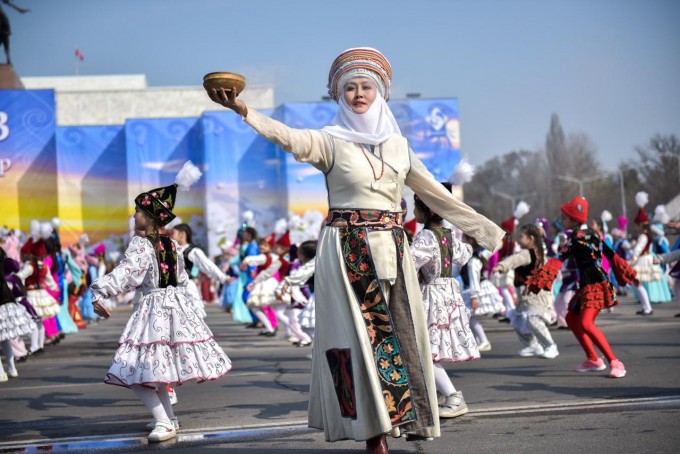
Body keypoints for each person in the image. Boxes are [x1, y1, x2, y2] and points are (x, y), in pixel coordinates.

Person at [207, 47, 503, 451]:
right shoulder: (330, 142)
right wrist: (244, 111)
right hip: (347, 250)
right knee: (356, 343)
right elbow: (289, 138)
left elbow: (436, 193)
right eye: (349, 88)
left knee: (400, 339)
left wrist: (487, 232)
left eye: (366, 86)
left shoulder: (398, 146)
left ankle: (401, 418)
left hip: (395, 252)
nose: (358, 93)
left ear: (380, 94)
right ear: (339, 95)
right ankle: (372, 434)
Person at [89, 162, 232, 442]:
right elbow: (180, 280)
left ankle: (164, 422)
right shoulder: (172, 245)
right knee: (157, 371)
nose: (134, 217)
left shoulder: (141, 245)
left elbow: (125, 276)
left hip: (154, 309)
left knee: (132, 369)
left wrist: (100, 289)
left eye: (137, 213)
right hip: (174, 308)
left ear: (150, 217)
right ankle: (170, 419)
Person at [527, 196, 636, 379]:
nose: (562, 222)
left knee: (586, 323)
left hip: (595, 285)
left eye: (564, 218)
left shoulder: (576, 238)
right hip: (587, 285)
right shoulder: (594, 234)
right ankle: (593, 359)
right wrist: (622, 270)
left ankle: (615, 362)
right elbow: (611, 255)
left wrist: (540, 279)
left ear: (573, 220)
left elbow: (558, 259)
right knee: (571, 318)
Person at [410, 185, 479, 419]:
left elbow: (408, 264)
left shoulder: (426, 236)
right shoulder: (448, 235)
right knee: (430, 347)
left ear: (427, 211)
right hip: (448, 293)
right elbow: (464, 254)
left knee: (425, 349)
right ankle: (440, 394)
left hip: (432, 294)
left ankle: (452, 396)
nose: (413, 212)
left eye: (415, 206)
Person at [493, 224, 559, 359]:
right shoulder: (536, 253)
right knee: (517, 319)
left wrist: (501, 266)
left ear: (531, 238)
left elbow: (513, 260)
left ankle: (550, 345)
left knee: (533, 319)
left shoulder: (528, 253)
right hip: (525, 294)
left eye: (522, 236)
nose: (519, 239)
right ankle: (533, 345)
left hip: (534, 294)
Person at [171, 223, 231, 318]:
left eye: (173, 233)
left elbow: (208, 265)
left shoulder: (192, 251)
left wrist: (223, 277)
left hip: (186, 287)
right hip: (172, 288)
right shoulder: (171, 249)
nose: (171, 236)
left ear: (182, 234)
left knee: (192, 316)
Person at [0, 248, 37, 381]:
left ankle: (1, 373)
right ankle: (11, 368)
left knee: (3, 339)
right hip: (7, 301)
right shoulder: (5, 267)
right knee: (5, 339)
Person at [460, 234, 498, 351]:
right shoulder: (473, 256)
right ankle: (477, 340)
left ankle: (483, 341)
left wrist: (474, 296)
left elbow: (474, 278)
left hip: (476, 289)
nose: (461, 240)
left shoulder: (473, 260)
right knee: (468, 317)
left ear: (469, 240)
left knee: (469, 317)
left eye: (463, 238)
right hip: (473, 289)